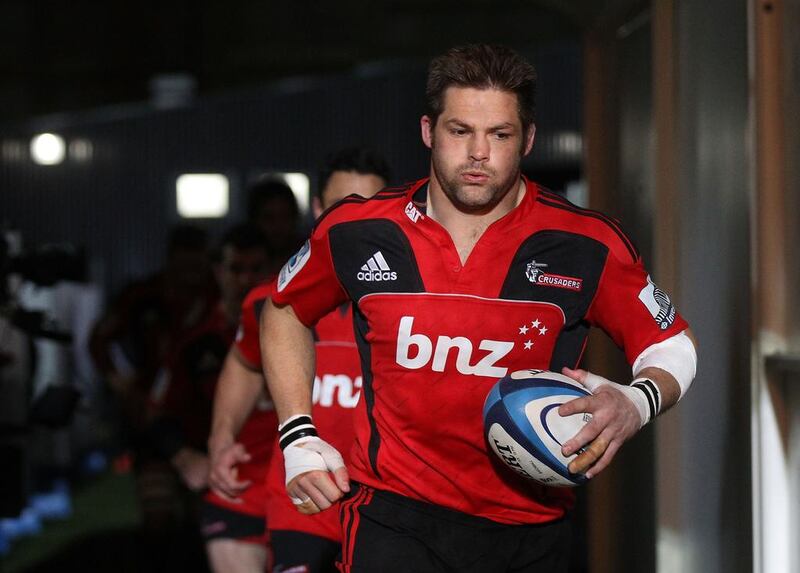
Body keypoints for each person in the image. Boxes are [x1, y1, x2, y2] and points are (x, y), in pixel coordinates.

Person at [261, 44, 698, 573]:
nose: (477, 153)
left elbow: (672, 344)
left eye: (499, 134)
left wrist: (636, 402)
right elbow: (284, 310)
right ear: (428, 131)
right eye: (460, 130)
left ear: (528, 140)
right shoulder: (358, 230)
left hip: (532, 528)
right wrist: (296, 433)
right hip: (393, 518)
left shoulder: (585, 244)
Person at [207, 147, 390, 573]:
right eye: (344, 207)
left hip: (388, 508)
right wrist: (221, 437)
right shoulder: (274, 301)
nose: (356, 221)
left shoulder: (415, 305)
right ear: (318, 209)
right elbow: (244, 363)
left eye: (371, 207)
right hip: (303, 503)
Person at [146, 224, 272, 572]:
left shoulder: (304, 331)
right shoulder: (196, 342)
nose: (245, 279)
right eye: (235, 269)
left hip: (296, 487)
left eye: (255, 269)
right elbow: (157, 412)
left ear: (272, 270)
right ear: (218, 272)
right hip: (232, 488)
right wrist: (185, 457)